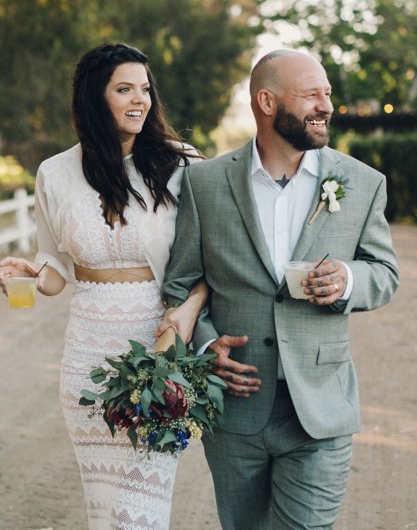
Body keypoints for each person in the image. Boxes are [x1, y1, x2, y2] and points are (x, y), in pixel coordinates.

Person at [162, 49, 400, 529]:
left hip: (319, 408)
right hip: (234, 409)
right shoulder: (204, 183)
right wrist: (207, 344)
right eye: (311, 94)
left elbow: (385, 273)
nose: (326, 106)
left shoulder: (361, 182)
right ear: (266, 102)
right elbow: (180, 283)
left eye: (328, 94)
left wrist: (348, 279)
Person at [0, 42, 207, 529]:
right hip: (87, 355)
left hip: (158, 346)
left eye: (145, 89)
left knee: (141, 511)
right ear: (95, 97)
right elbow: (54, 267)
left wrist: (188, 311)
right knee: (104, 508)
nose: (141, 99)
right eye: (124, 89)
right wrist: (29, 276)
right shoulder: (55, 172)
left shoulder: (181, 164)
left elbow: (209, 259)